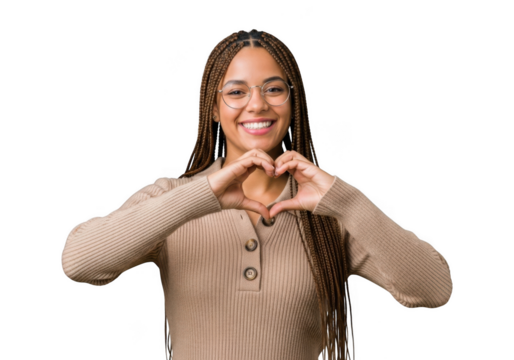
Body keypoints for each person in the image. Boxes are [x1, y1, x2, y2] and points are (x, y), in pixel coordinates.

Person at [60, 29, 454, 360]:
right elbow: (78, 262)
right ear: (213, 109)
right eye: (236, 92)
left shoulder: (330, 210)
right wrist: (206, 194)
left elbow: (434, 290)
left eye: (274, 88)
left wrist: (345, 201)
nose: (257, 104)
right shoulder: (172, 199)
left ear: (292, 102)